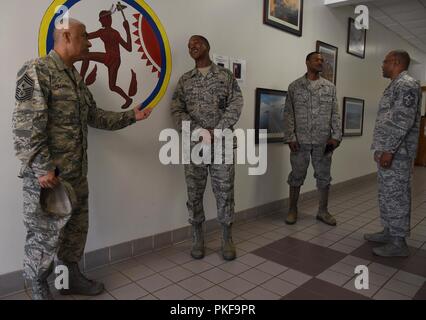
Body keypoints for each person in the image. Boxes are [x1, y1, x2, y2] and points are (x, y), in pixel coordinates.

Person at [12, 18, 151, 300]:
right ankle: (39, 288)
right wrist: (42, 167)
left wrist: (130, 116)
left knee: (74, 233)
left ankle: (69, 279)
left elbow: (94, 115)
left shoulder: (75, 78)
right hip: (49, 178)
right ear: (65, 36)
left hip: (76, 175)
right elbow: (24, 125)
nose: (89, 42)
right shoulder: (37, 70)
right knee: (44, 237)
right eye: (84, 36)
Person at [171, 35, 243, 261]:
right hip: (194, 147)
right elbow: (177, 110)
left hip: (222, 145)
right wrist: (198, 131)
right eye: (189, 45)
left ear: (207, 47)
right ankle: (197, 237)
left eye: (197, 44)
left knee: (225, 192)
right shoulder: (185, 80)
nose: (193, 47)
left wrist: (217, 130)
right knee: (194, 194)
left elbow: (236, 103)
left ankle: (226, 237)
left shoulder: (225, 76)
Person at [365, 50, 421, 257]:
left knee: (397, 196)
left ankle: (398, 243)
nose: (382, 65)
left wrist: (389, 150)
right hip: (389, 150)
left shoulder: (407, 84)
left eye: (384, 61)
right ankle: (389, 231)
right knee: (387, 195)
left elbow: (402, 121)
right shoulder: (394, 85)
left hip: (399, 153)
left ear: (395, 62)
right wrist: (380, 149)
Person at [283, 52, 342, 226]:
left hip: (323, 142)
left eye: (322, 60)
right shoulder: (295, 86)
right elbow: (288, 114)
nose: (320, 62)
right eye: (316, 59)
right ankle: (292, 209)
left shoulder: (329, 88)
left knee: (324, 176)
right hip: (300, 142)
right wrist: (290, 137)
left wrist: (336, 137)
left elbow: (335, 114)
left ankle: (323, 211)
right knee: (296, 175)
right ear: (307, 62)